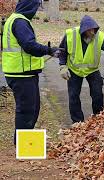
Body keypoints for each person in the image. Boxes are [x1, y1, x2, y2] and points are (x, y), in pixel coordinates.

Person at [1, 0, 61, 144]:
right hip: (21, 73)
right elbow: (29, 46)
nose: (35, 11)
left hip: (24, 72)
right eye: (35, 8)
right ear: (30, 6)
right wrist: (49, 50)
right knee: (26, 110)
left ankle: (26, 140)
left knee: (32, 108)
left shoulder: (16, 19)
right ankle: (22, 144)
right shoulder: (20, 22)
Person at [58, 15, 104, 123]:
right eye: (89, 30)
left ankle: (98, 119)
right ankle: (77, 122)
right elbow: (62, 51)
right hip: (74, 70)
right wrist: (62, 66)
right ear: (83, 31)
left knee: (97, 95)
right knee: (73, 96)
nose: (92, 32)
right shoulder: (70, 35)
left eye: (94, 29)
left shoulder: (100, 37)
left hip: (92, 70)